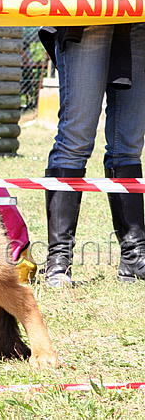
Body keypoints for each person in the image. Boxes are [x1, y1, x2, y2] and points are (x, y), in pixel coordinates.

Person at [39, 24, 145, 287]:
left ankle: (135, 256)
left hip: (139, 22)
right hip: (89, 16)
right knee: (76, 140)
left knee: (130, 144)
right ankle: (58, 262)